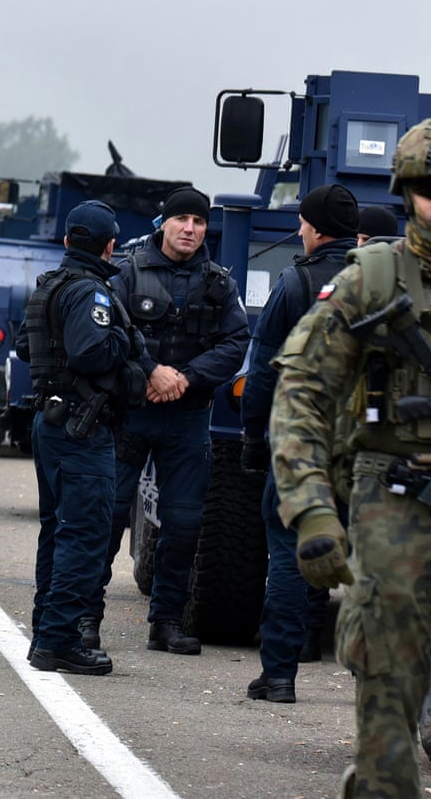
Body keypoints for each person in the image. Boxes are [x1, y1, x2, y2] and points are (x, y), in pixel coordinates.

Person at [271, 119, 431, 797]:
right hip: (395, 498)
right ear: (407, 193)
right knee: (390, 661)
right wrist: (310, 510)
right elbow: (302, 392)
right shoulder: (375, 278)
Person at [88, 186, 249, 654]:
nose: (190, 229)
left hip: (186, 418)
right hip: (131, 414)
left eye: (198, 223)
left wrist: (185, 377)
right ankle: (85, 618)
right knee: (109, 517)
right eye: (182, 220)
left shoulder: (220, 283)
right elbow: (110, 333)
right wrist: (150, 374)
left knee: (183, 524)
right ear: (165, 223)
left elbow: (235, 344)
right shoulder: (124, 273)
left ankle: (166, 622)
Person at [240, 184, 359, 703]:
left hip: (304, 446)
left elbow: (264, 370)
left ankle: (281, 674)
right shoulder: (376, 285)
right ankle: (373, 682)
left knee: (289, 553)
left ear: (311, 228)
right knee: (375, 562)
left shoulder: (295, 281)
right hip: (370, 447)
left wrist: (254, 435)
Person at [15, 200, 143, 675]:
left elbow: (27, 345)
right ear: (109, 245)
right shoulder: (91, 292)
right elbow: (91, 351)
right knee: (84, 535)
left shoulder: (49, 285)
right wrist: (127, 342)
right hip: (81, 428)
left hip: (54, 423)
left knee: (59, 530)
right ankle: (59, 640)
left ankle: (47, 633)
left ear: (68, 240)